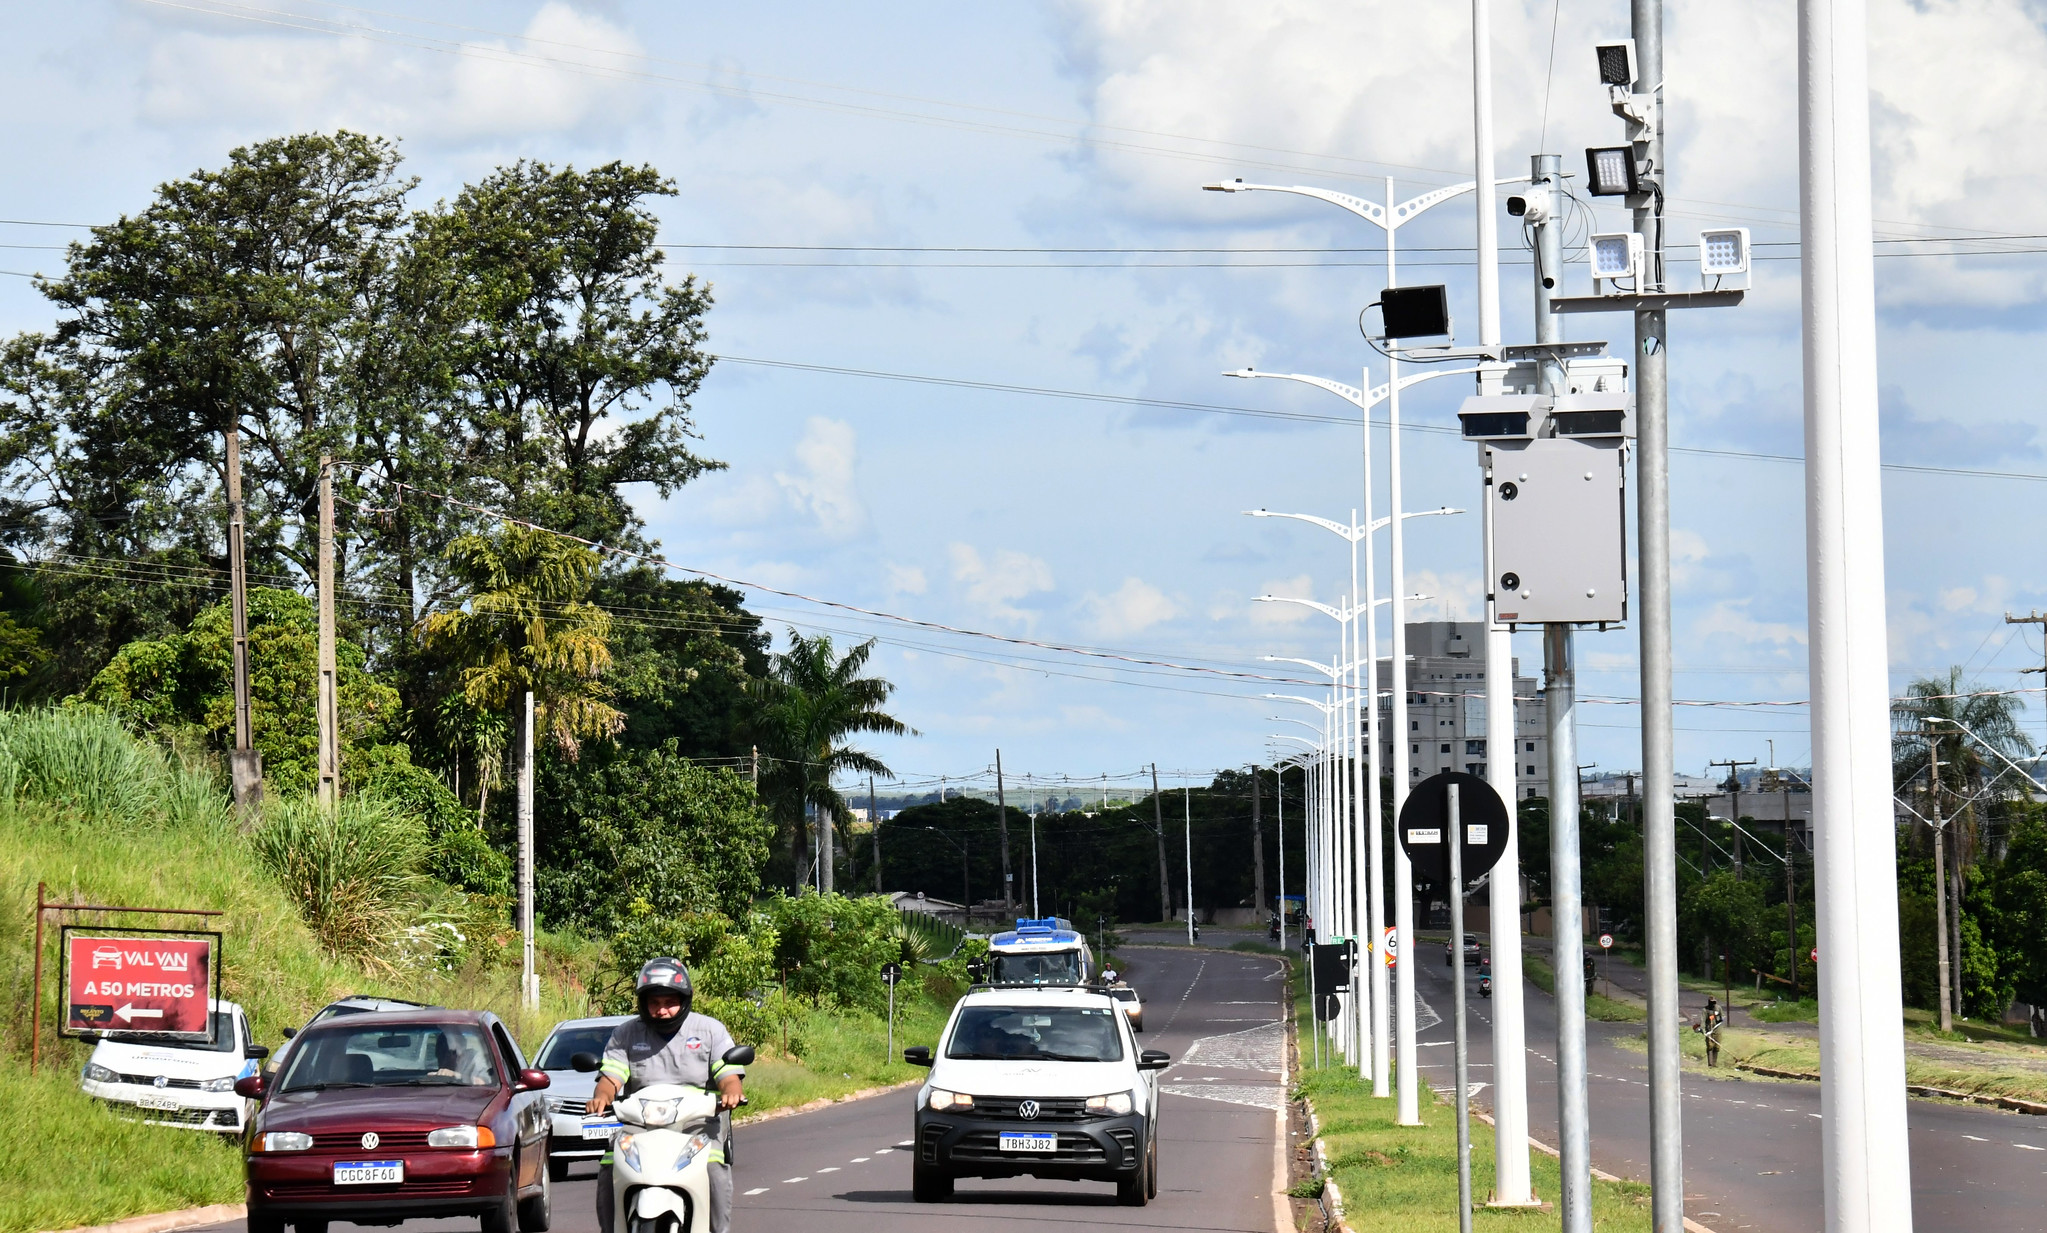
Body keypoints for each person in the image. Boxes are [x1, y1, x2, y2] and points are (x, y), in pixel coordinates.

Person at [586, 958, 745, 1233]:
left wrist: (731, 1092)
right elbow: (610, 1078)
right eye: (654, 1003)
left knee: (714, 1166)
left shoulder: (709, 1030)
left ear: (684, 1000)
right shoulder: (626, 1034)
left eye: (669, 1002)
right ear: (643, 1003)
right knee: (610, 1163)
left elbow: (729, 1077)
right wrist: (601, 1096)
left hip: (698, 1122)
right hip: (640, 1123)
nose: (662, 1010)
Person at [1696, 997, 1724, 1067]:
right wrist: (1702, 1029)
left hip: (1718, 1030)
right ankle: (1710, 1063)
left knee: (1717, 1047)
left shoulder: (1718, 1008)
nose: (1713, 1004)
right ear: (1709, 1002)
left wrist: (1720, 1019)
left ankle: (1714, 1063)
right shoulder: (1705, 1010)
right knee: (1710, 1046)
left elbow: (1722, 1016)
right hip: (1709, 1031)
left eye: (1714, 1002)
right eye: (1712, 1002)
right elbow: (1703, 1020)